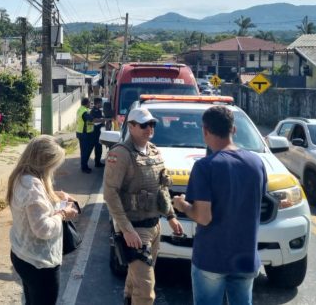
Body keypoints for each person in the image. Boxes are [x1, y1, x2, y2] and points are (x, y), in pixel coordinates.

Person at [172, 106, 267, 305]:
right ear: (234, 129)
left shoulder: (205, 167)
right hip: (246, 257)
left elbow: (203, 217)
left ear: (205, 131)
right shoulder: (256, 163)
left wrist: (182, 205)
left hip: (212, 259)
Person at [103, 106, 183, 305]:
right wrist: (127, 229)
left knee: (135, 280)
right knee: (146, 289)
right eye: (144, 125)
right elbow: (110, 194)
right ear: (130, 126)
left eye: (152, 124)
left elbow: (162, 188)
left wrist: (171, 217)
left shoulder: (154, 151)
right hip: (135, 229)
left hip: (154, 226)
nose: (149, 129)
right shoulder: (121, 154)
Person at [7, 135, 77, 305]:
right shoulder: (33, 186)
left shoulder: (21, 176)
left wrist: (55, 196)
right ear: (44, 163)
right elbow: (43, 229)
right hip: (39, 263)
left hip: (22, 254)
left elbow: (34, 206)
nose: (53, 170)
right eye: (53, 165)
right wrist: (63, 214)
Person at [76, 97, 94, 173]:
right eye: (89, 103)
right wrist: (102, 120)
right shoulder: (84, 111)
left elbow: (86, 122)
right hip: (84, 134)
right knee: (85, 151)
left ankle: (84, 166)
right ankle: (84, 168)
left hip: (81, 132)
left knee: (84, 150)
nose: (90, 104)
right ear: (86, 103)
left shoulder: (81, 109)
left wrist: (93, 125)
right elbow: (90, 119)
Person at [90, 97, 106, 168]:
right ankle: (97, 163)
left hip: (99, 132)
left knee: (99, 148)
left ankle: (98, 162)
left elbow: (101, 118)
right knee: (97, 148)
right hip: (95, 133)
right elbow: (94, 121)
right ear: (98, 103)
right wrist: (103, 120)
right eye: (101, 103)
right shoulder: (93, 111)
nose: (102, 104)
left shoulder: (98, 110)